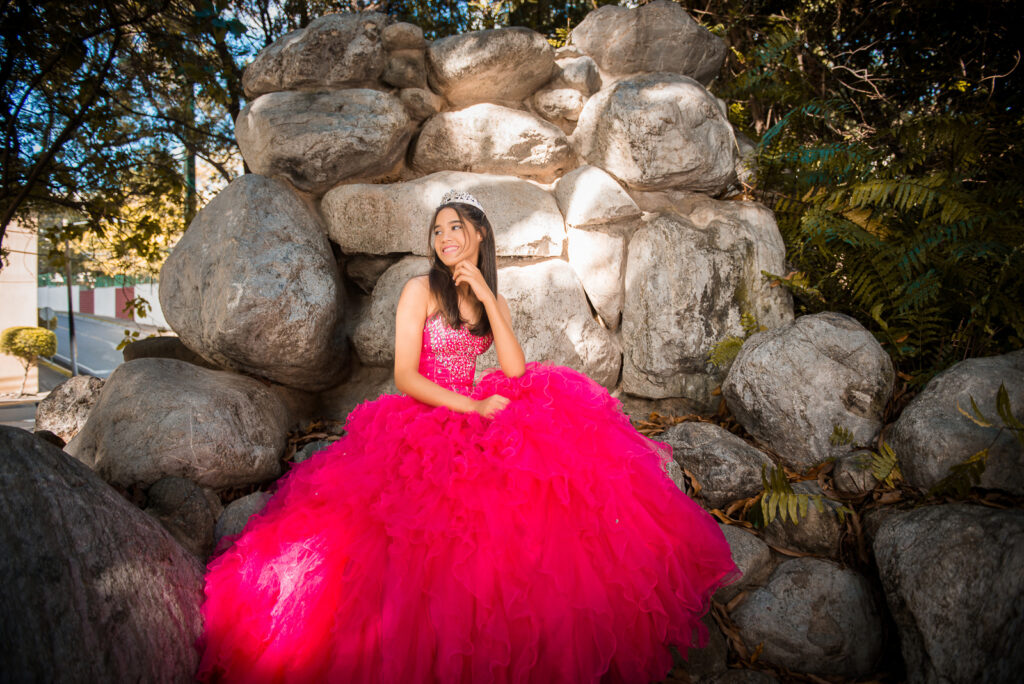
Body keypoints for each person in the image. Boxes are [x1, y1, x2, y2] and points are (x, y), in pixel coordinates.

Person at [198, 189, 739, 684]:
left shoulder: (486, 297)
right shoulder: (419, 289)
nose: (445, 238)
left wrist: (485, 292)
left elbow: (514, 366)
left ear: (480, 235)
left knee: (536, 485)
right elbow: (407, 376)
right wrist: (474, 405)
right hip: (423, 416)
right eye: (437, 231)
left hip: (472, 413)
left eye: (455, 228)